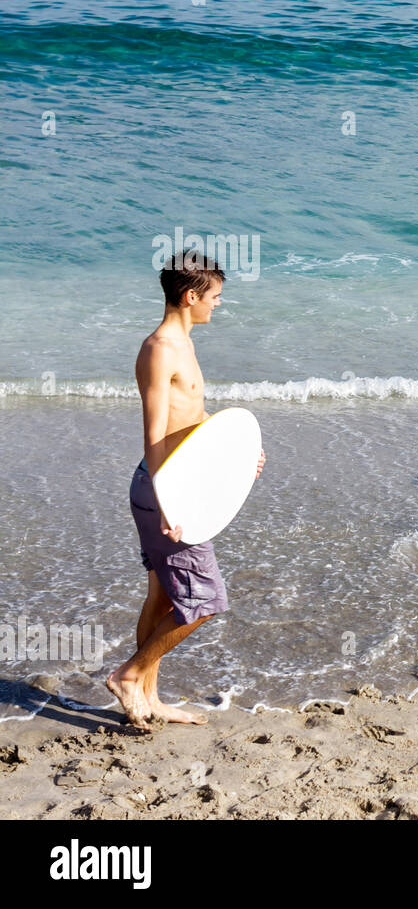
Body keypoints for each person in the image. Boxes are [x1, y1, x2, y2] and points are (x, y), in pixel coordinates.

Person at [106, 249, 264, 729]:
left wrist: (239, 455)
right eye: (214, 297)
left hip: (173, 486)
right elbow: (155, 435)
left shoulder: (185, 343)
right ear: (191, 296)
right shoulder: (160, 350)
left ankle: (148, 696)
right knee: (204, 601)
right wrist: (169, 502)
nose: (219, 304)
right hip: (164, 492)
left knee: (162, 595)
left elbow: (190, 424)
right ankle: (130, 676)